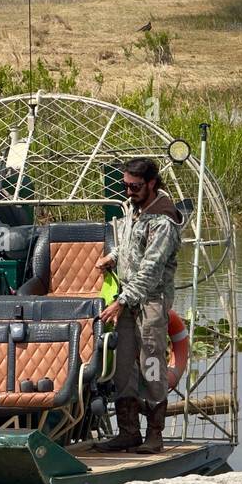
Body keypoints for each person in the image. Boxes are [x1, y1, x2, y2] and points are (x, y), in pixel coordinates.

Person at [94, 158, 183, 454]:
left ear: (152, 183)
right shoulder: (135, 210)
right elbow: (132, 245)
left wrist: (121, 302)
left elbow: (151, 269)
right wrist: (114, 256)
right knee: (122, 368)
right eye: (126, 186)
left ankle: (154, 435)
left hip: (151, 302)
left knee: (152, 365)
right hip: (128, 299)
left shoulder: (164, 221)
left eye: (135, 186)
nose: (129, 191)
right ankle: (128, 432)